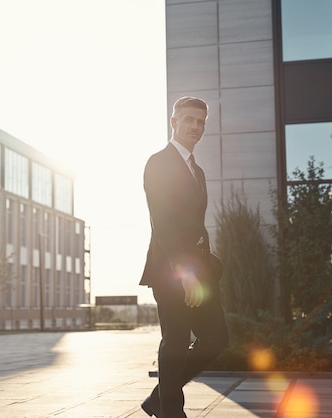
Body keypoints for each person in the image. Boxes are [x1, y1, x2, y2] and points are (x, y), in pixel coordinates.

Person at [139, 96, 228, 418]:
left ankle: (158, 398)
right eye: (188, 119)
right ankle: (170, 412)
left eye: (201, 121)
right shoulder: (158, 162)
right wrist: (184, 272)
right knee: (175, 341)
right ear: (173, 122)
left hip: (200, 267)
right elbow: (163, 222)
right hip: (170, 268)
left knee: (217, 338)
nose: (195, 126)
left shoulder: (197, 171)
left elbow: (194, 223)